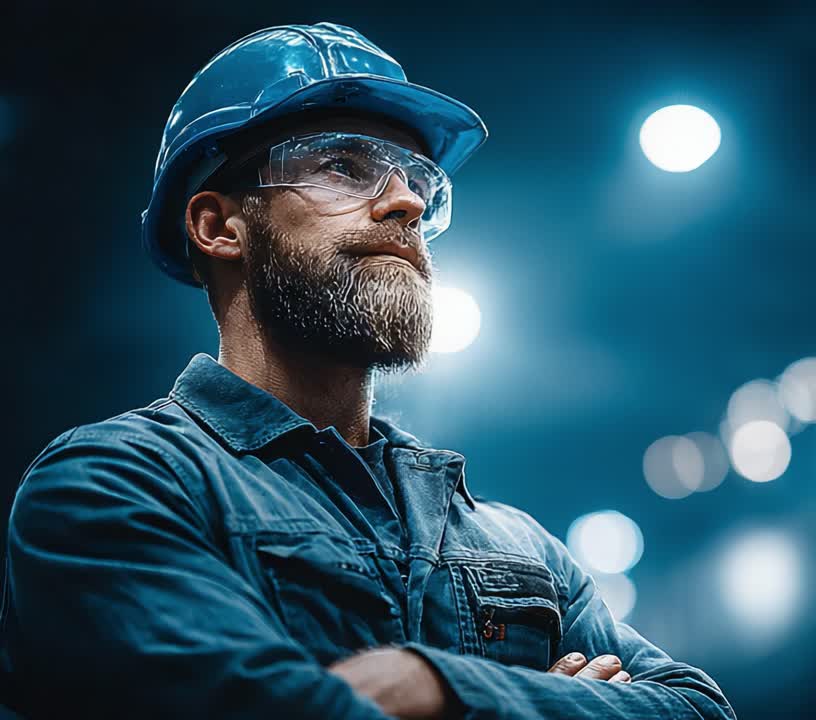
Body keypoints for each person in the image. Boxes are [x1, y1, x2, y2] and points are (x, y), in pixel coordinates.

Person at [0, 22, 735, 720]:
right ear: (219, 227)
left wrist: (432, 686)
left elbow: (701, 707)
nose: (407, 202)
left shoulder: (518, 544)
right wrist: (543, 701)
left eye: (419, 181)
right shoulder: (113, 485)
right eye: (343, 166)